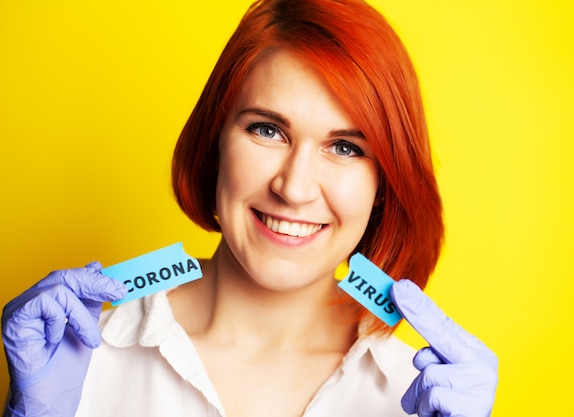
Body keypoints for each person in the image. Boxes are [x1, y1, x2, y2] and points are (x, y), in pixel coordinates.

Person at [1, 0, 498, 416]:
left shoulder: (417, 395)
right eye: (267, 129)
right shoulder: (83, 361)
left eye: (346, 147)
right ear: (215, 141)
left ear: (384, 183)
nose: (295, 187)